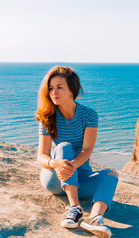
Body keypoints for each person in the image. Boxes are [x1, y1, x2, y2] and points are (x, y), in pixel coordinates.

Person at [35, 65, 118, 238]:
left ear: (72, 90)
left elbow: (87, 151)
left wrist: (70, 166)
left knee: (112, 175)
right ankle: (75, 208)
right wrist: (57, 163)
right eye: (50, 88)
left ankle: (95, 218)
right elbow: (42, 156)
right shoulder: (48, 117)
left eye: (59, 87)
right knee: (64, 147)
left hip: (79, 176)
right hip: (54, 178)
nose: (53, 93)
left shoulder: (89, 115)